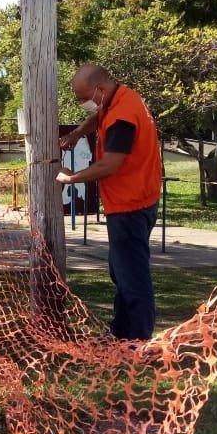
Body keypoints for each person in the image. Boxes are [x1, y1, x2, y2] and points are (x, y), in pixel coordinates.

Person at [58, 64, 162, 340]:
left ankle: (137, 339)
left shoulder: (123, 116)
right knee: (121, 270)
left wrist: (72, 179)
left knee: (132, 276)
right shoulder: (122, 97)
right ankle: (120, 330)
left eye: (83, 98)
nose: (82, 104)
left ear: (100, 89)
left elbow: (110, 165)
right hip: (135, 199)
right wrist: (79, 132)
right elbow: (99, 116)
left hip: (131, 204)